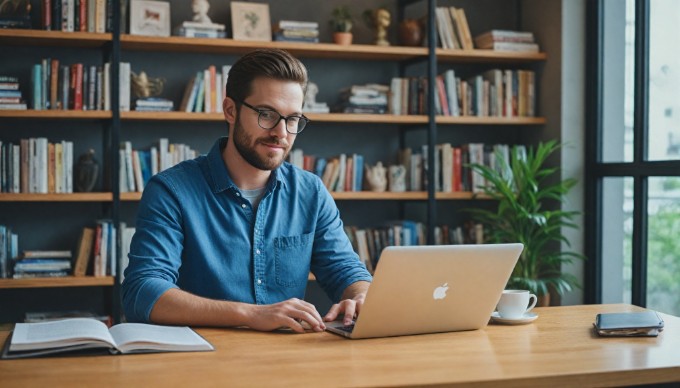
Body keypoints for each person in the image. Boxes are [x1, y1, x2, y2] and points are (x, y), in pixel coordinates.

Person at [121, 49, 372, 333]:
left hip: (286, 364)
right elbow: (143, 291)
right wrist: (250, 314)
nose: (281, 132)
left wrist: (361, 296)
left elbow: (346, 271)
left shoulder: (310, 191)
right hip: (200, 363)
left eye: (292, 119)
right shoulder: (171, 191)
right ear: (231, 110)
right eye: (267, 114)